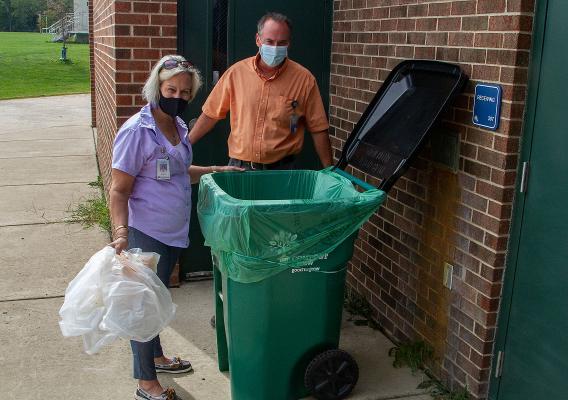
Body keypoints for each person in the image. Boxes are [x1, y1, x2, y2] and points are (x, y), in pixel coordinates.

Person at [108, 55, 242, 400]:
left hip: (172, 232)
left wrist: (216, 170)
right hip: (145, 232)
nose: (178, 96)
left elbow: (179, 171)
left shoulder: (179, 127)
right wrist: (121, 233)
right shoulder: (137, 132)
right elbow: (119, 189)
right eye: (171, 89)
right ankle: (146, 384)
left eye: (185, 92)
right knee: (143, 307)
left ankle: (156, 357)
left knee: (153, 301)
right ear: (157, 87)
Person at [189, 11, 333, 170]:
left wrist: (329, 170)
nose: (275, 48)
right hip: (240, 169)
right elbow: (210, 114)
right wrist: (185, 145)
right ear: (258, 39)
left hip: (283, 171)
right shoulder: (236, 73)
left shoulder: (304, 80)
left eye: (281, 43)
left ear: (289, 44)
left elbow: (318, 128)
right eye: (269, 41)